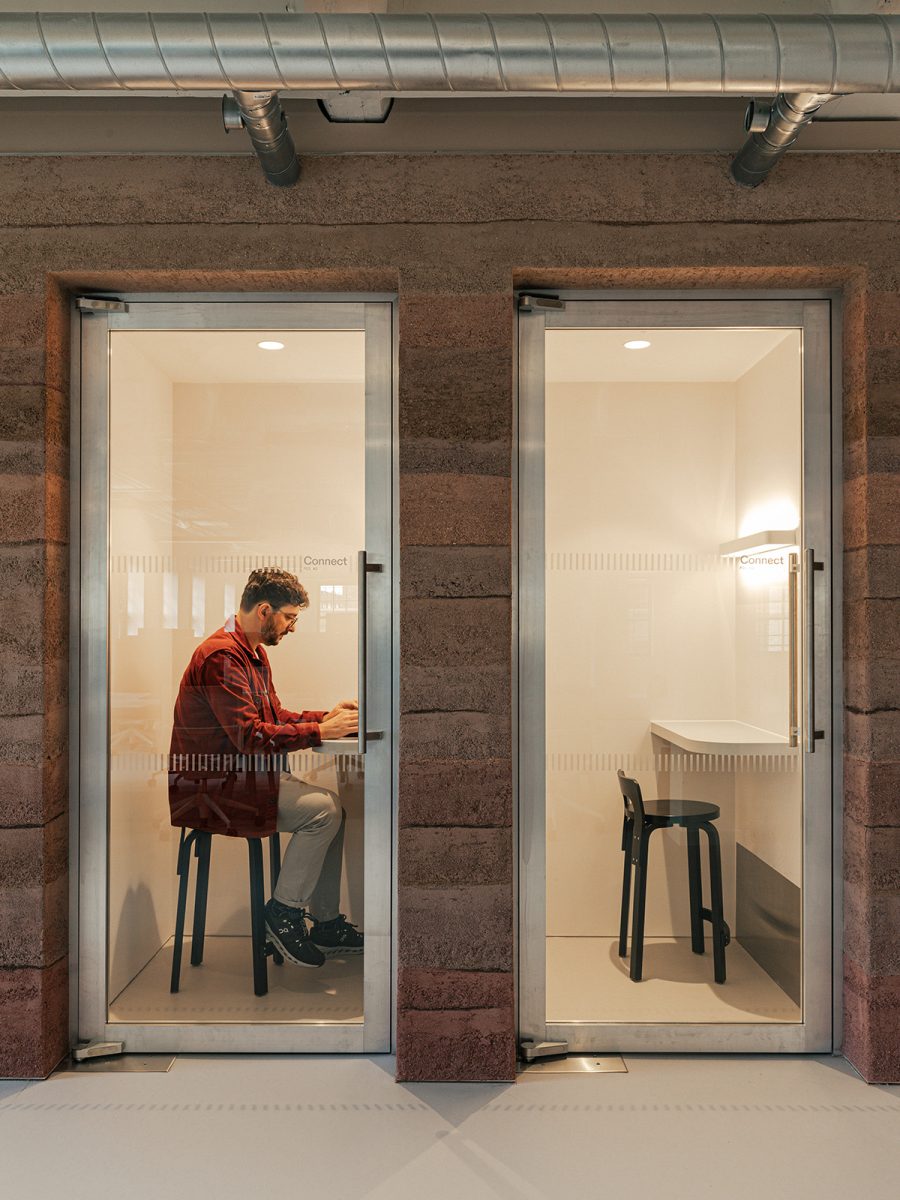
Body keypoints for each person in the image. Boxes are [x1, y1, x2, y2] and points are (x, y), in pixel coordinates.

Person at [168, 566, 363, 969]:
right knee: (324, 811)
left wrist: (325, 717)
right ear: (264, 610)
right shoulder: (222, 657)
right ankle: (284, 912)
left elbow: (275, 715)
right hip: (214, 791)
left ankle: (324, 924)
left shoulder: (251, 653)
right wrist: (321, 730)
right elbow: (250, 737)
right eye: (289, 617)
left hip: (239, 781)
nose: (292, 628)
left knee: (334, 811)